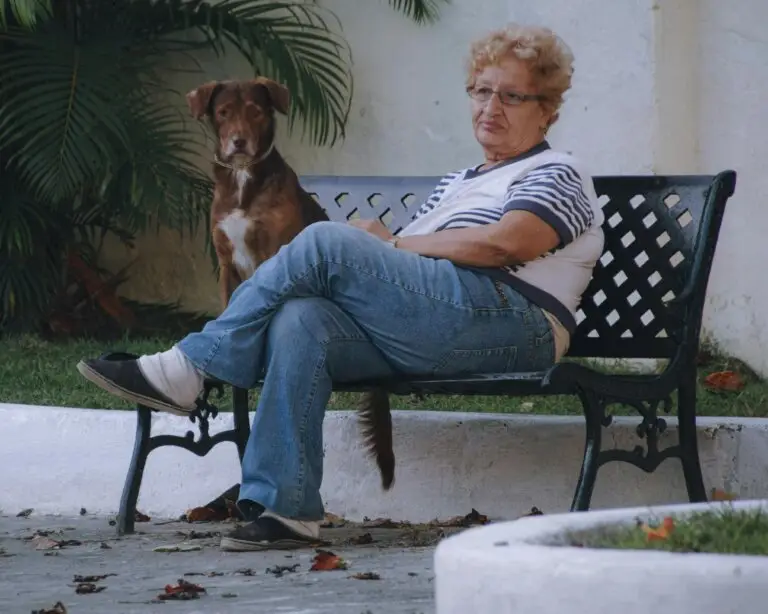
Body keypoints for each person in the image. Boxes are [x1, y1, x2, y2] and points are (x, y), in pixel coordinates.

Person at [77, 23, 604, 552]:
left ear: (548, 109)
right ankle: (286, 507)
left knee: (328, 239)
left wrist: (390, 247)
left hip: (514, 321)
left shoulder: (558, 171)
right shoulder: (459, 183)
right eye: (482, 91)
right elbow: (414, 267)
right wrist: (386, 249)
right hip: (438, 324)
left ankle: (192, 366)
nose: (492, 107)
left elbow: (506, 244)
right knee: (301, 320)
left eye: (512, 96)